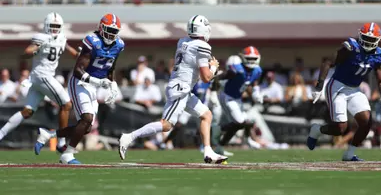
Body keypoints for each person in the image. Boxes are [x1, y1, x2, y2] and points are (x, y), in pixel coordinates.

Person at [119, 15, 228, 164]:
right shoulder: (202, 46)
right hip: (181, 89)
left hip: (181, 87)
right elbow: (206, 78)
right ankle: (129, 137)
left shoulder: (182, 41)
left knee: (206, 115)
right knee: (166, 125)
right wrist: (214, 67)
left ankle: (208, 152)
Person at [35, 14, 125, 164]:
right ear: (101, 28)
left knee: (87, 128)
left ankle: (49, 135)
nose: (111, 34)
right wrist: (97, 81)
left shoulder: (119, 45)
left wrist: (113, 84)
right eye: (108, 30)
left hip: (94, 86)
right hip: (80, 83)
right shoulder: (93, 41)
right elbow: (78, 70)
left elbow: (111, 67)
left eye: (114, 31)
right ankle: (68, 154)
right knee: (87, 118)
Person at [307, 22, 381, 161]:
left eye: (371, 39)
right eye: (366, 38)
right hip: (337, 87)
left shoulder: (379, 55)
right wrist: (319, 86)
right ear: (360, 36)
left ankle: (349, 154)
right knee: (340, 129)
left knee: (367, 122)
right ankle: (317, 130)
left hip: (354, 89)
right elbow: (328, 62)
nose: (368, 42)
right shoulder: (351, 48)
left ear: (378, 40)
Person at [0, 13, 78, 152]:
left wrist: (80, 55)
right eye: (52, 26)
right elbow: (28, 51)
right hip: (43, 76)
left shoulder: (61, 38)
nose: (54, 29)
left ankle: (1, 134)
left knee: (27, 111)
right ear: (46, 26)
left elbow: (70, 51)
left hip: (38, 79)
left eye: (57, 26)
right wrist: (32, 51)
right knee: (66, 104)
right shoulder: (41, 37)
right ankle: (61, 143)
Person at [216, 47, 263, 150]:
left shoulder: (257, 70)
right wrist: (216, 76)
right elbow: (222, 76)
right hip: (227, 96)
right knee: (240, 122)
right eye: (249, 58)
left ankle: (221, 145)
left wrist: (256, 92)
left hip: (238, 98)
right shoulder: (237, 69)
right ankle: (218, 129)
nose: (251, 61)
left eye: (253, 58)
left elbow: (253, 81)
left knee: (246, 122)